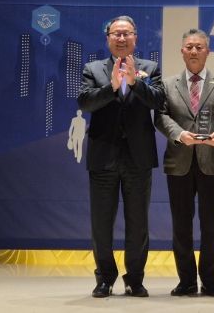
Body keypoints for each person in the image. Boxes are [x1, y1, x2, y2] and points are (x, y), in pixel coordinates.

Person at [77, 15, 165, 299]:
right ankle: (104, 278)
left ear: (135, 38)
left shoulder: (150, 68)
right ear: (108, 39)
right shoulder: (93, 69)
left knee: (138, 223)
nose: (122, 38)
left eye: (127, 33)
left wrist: (135, 83)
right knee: (101, 224)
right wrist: (112, 86)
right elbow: (85, 102)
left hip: (138, 158)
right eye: (116, 33)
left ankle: (135, 279)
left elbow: (158, 101)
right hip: (103, 157)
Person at [155, 28, 214, 298]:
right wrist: (179, 135)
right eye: (189, 47)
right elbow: (160, 117)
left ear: (207, 52)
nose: (193, 51)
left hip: (211, 162)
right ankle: (187, 281)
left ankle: (210, 281)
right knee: (181, 225)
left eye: (199, 47)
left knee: (211, 225)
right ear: (181, 51)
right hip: (178, 162)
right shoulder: (167, 85)